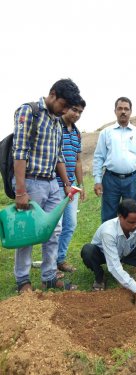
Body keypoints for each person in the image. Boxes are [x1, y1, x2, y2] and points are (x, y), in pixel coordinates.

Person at [13, 78, 81, 293]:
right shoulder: (29, 112)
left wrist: (67, 184)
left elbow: (59, 155)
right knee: (28, 233)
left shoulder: (57, 121)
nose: (65, 111)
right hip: (31, 182)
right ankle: (23, 281)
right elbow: (19, 151)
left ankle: (49, 276)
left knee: (53, 230)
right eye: (63, 105)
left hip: (53, 183)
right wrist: (21, 191)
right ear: (52, 94)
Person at [93, 97, 136, 223]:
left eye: (126, 109)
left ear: (131, 111)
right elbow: (98, 157)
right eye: (120, 108)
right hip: (110, 180)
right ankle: (109, 242)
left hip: (132, 181)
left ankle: (130, 243)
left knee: (131, 215)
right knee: (108, 216)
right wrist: (97, 180)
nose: (123, 111)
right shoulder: (106, 132)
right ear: (115, 111)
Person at [56, 98, 86, 274]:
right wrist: (66, 183)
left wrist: (80, 185)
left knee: (70, 224)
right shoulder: (55, 127)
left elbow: (78, 161)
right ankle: (50, 264)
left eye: (80, 112)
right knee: (56, 227)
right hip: (55, 185)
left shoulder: (76, 133)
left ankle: (60, 259)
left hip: (71, 187)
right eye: (74, 110)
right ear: (66, 108)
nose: (77, 114)